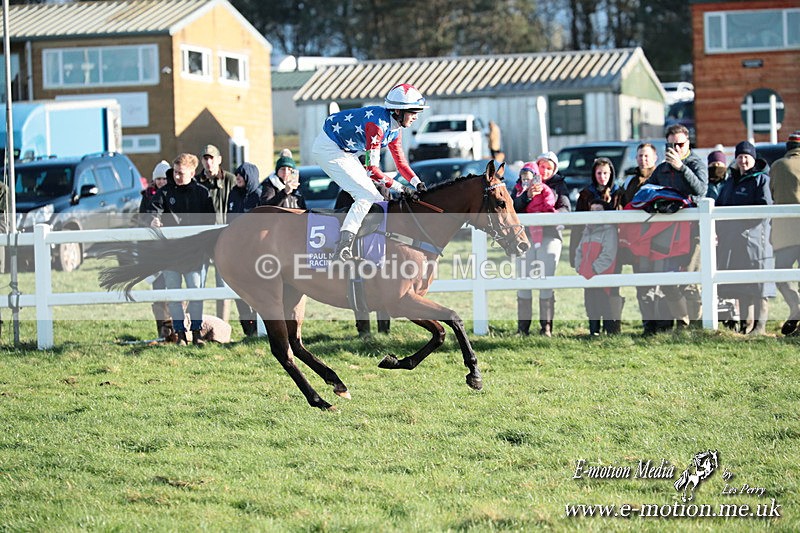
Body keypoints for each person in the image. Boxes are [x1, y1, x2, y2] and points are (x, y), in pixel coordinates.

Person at [312, 83, 428, 261]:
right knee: (365, 196)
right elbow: (372, 171)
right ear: (398, 111)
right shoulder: (377, 125)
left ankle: (362, 245)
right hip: (329, 149)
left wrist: (417, 183)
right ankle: (342, 249)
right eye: (413, 112)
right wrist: (403, 189)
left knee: (378, 199)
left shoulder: (395, 128)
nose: (415, 117)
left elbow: (401, 164)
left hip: (344, 150)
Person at [148, 153, 215, 346]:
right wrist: (154, 218)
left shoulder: (202, 193)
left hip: (195, 254)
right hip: (170, 254)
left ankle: (196, 332)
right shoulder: (165, 192)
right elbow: (154, 209)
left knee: (196, 293)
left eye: (181, 173)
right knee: (174, 295)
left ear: (192, 172)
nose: (177, 176)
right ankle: (180, 334)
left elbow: (210, 221)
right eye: (175, 172)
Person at [645, 124, 707, 329]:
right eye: (671, 145)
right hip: (668, 232)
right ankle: (683, 323)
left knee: (690, 281)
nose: (675, 148)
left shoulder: (696, 163)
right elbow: (648, 190)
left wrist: (681, 167)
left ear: (687, 143)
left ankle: (698, 326)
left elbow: (701, 190)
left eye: (679, 144)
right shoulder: (662, 168)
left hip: (694, 231)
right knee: (668, 283)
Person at [716, 141, 774, 336]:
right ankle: (745, 325)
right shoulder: (730, 181)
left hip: (755, 239)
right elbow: (720, 206)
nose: (743, 160)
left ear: (754, 158)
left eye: (746, 156)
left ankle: (760, 327)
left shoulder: (761, 180)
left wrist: (741, 224)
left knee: (759, 284)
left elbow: (764, 207)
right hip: (733, 241)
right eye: (740, 156)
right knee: (741, 285)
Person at [615, 144, 672, 335]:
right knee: (643, 283)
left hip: (659, 239)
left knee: (661, 282)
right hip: (638, 241)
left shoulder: (662, 178)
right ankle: (648, 324)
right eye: (640, 155)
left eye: (647, 155)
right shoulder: (631, 182)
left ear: (655, 157)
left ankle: (663, 325)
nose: (643, 159)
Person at [513, 152, 570, 336]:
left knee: (546, 277)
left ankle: (546, 327)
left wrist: (551, 216)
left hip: (549, 234)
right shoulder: (522, 182)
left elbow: (565, 208)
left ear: (554, 170)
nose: (544, 171)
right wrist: (527, 196)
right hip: (524, 237)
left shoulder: (558, 185)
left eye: (549, 168)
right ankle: (523, 328)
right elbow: (513, 207)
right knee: (524, 278)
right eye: (542, 166)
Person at [334, 175, 392, 339]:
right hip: (356, 246)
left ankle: (384, 330)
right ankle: (363, 330)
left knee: (382, 285)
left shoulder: (383, 189)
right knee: (356, 286)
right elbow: (339, 215)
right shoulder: (347, 191)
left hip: (378, 244)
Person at [196, 144, 236, 321]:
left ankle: (223, 325)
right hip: (202, 240)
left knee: (224, 285)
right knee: (198, 285)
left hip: (224, 240)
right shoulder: (195, 182)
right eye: (205, 158)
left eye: (212, 158)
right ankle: (197, 327)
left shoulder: (230, 180)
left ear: (219, 160)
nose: (208, 161)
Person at [769, 130, 800, 336]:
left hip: (785, 232)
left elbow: (773, 193)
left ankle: (796, 307)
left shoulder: (778, 166)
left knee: (781, 274)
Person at [139, 160, 173, 339]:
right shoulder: (147, 195)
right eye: (158, 178)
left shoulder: (172, 193)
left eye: (163, 178)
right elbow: (141, 218)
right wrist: (149, 222)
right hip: (153, 250)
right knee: (158, 290)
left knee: (174, 289)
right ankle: (162, 330)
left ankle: (177, 328)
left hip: (171, 249)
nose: (161, 181)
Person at [575, 199, 619, 335]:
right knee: (590, 303)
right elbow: (579, 251)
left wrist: (594, 269)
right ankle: (593, 331)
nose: (594, 213)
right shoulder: (587, 230)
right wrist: (580, 267)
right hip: (587, 274)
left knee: (604, 302)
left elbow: (609, 254)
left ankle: (609, 331)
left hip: (602, 274)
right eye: (592, 210)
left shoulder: (609, 230)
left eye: (598, 210)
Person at [228, 162, 262, 337]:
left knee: (256, 290)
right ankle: (248, 330)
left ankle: (259, 328)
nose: (238, 178)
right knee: (238, 291)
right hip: (236, 252)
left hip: (254, 253)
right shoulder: (233, 193)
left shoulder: (258, 195)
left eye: (242, 174)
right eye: (237, 174)